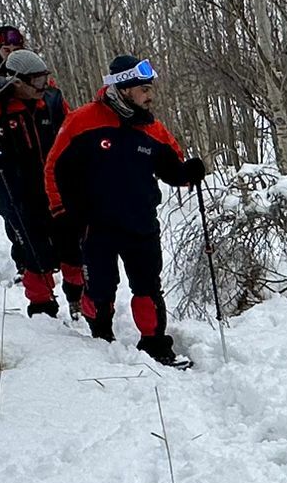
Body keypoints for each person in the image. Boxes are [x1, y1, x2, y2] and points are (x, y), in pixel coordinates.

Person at [44, 53, 207, 366]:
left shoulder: (153, 129)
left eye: (150, 89)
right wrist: (60, 211)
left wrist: (189, 173)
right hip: (96, 226)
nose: (150, 96)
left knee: (147, 286)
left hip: (141, 223)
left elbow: (173, 170)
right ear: (123, 88)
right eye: (144, 89)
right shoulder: (82, 121)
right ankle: (100, 334)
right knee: (101, 290)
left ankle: (156, 345)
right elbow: (54, 167)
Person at [0, 49, 85, 318]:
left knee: (72, 244)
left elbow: (74, 125)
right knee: (33, 249)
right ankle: (42, 308)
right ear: (16, 82)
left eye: (45, 79)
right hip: (14, 189)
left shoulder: (52, 99)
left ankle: (78, 299)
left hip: (55, 185)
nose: (43, 87)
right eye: (37, 81)